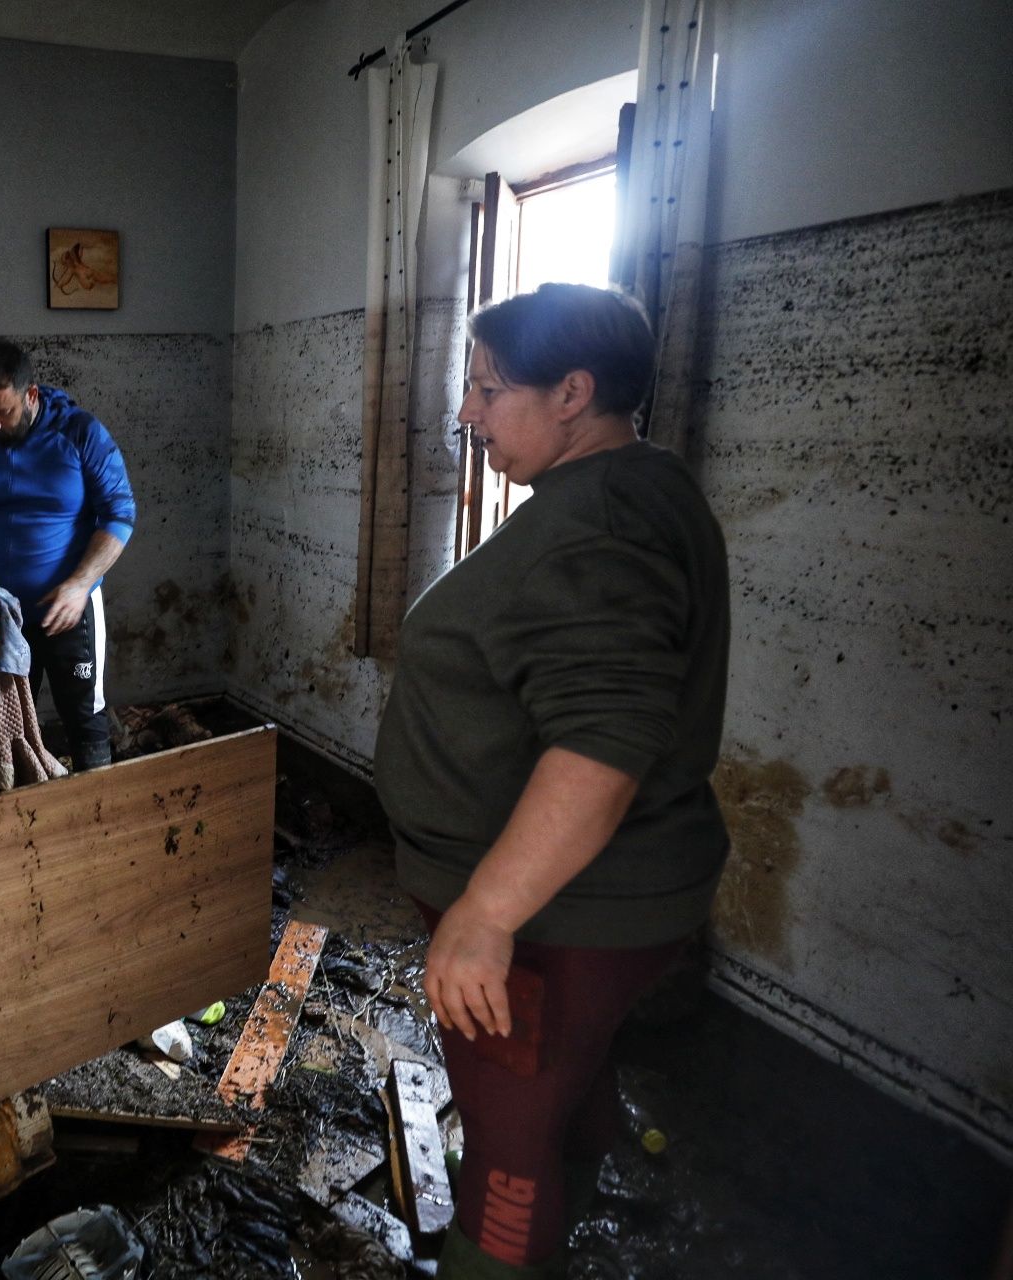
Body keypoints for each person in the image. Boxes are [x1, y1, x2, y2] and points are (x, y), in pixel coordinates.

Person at [371, 284, 732, 1278]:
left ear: (573, 391)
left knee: (505, 1148)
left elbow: (601, 749)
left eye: (488, 387)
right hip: (598, 902)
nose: (466, 411)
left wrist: (485, 910)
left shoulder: (600, 524)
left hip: (557, 920)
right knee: (558, 1093)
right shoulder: (630, 492)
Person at [0, 339, 136, 770]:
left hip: (69, 611)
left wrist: (79, 585)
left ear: (31, 394)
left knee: (85, 720)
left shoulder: (79, 433)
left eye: (3, 412)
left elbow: (119, 513)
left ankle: (100, 819)